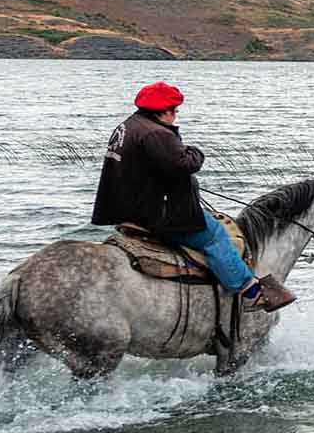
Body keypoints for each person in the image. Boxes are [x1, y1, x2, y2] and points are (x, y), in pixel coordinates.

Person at [92, 82, 294, 311]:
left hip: (126, 208)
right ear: (165, 111)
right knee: (215, 235)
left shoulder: (128, 126)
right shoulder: (157, 133)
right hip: (154, 212)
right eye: (175, 111)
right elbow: (184, 164)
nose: (175, 116)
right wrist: (196, 152)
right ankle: (250, 292)